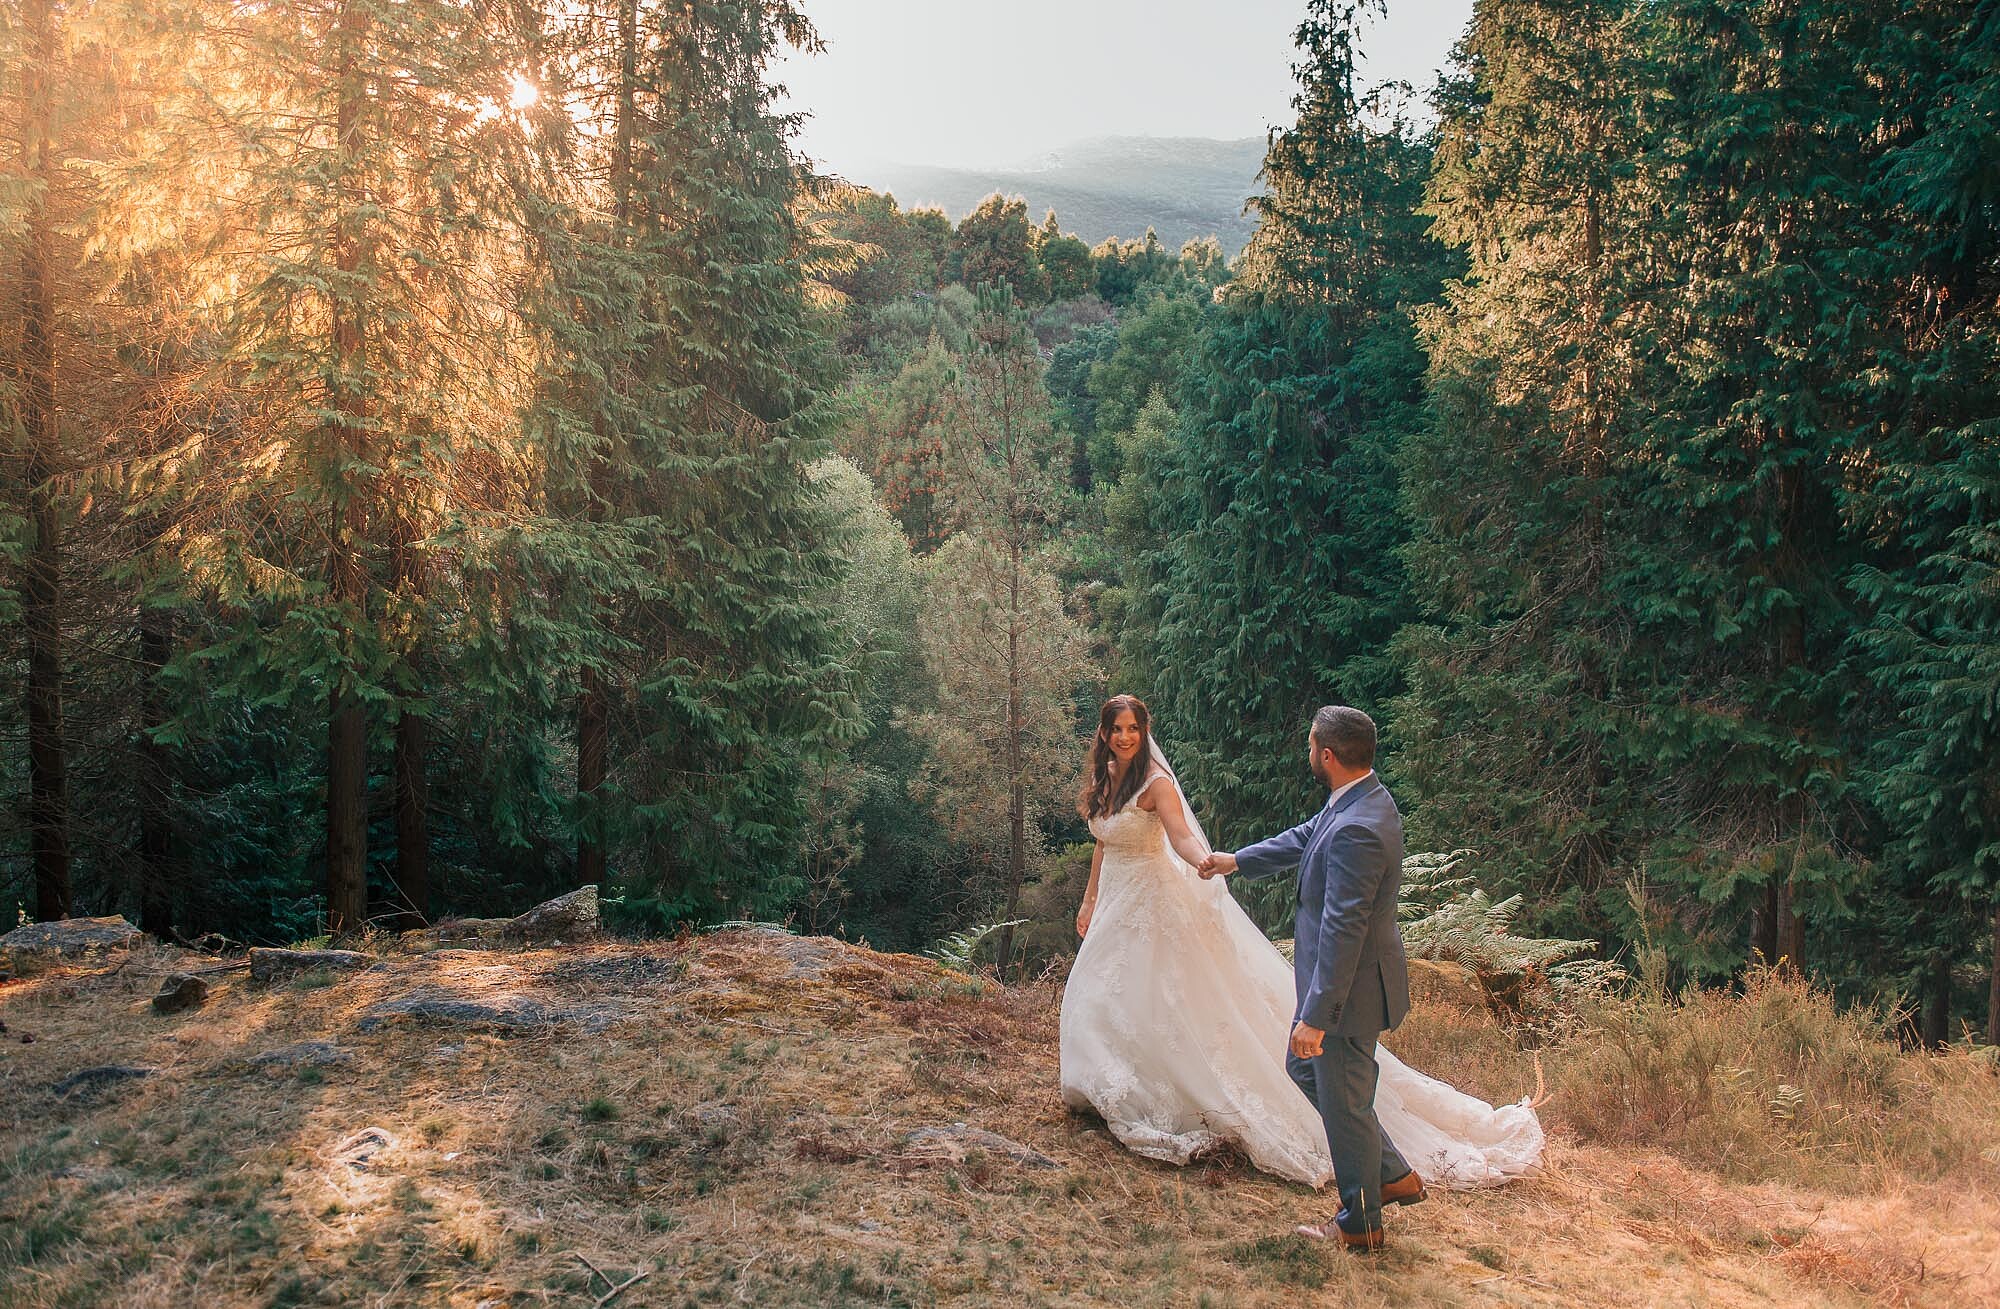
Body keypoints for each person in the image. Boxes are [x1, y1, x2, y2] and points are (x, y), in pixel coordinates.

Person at [1060, 695, 1542, 1249]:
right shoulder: (1356, 803)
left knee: (1341, 1092)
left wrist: (1315, 1015)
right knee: (1318, 1079)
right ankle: (1391, 1172)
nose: (1307, 751)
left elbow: (1343, 933)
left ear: (1329, 755)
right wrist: (1233, 860)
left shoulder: (1358, 827)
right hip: (1344, 988)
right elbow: (1301, 838)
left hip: (1349, 995)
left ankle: (1360, 1225)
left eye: (1312, 745)